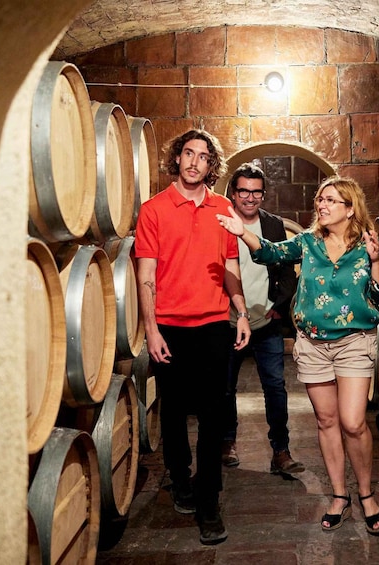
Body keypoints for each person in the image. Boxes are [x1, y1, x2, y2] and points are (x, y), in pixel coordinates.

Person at [216, 175, 379, 536]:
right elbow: (271, 252)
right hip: (313, 344)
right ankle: (340, 495)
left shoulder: (367, 244)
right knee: (326, 421)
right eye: (320, 199)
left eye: (330, 200)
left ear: (350, 208)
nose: (321, 205)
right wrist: (242, 232)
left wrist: (376, 260)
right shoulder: (308, 242)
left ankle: (366, 494)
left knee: (353, 422)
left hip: (353, 341)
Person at [135, 129, 251, 546]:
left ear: (211, 166)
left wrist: (241, 312)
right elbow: (146, 274)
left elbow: (231, 266)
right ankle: (180, 477)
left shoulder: (223, 209)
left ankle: (208, 502)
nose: (194, 161)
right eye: (188, 153)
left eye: (203, 156)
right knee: (172, 412)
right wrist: (150, 330)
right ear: (177, 158)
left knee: (213, 416)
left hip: (214, 325)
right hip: (168, 326)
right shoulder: (153, 210)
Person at [221, 163, 305, 476]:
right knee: (225, 388)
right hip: (228, 321)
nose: (250, 197)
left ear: (263, 194)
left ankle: (281, 451)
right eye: (244, 191)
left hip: (266, 321)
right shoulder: (222, 222)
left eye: (256, 192)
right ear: (233, 193)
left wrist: (278, 305)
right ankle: (227, 442)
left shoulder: (272, 224)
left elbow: (286, 268)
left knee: (275, 388)